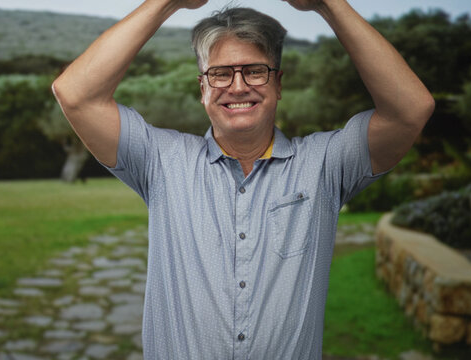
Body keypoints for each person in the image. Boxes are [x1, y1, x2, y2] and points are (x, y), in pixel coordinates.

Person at [52, 0, 434, 358]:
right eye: (220, 73)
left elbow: (410, 110)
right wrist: (167, 2)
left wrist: (326, 4)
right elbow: (75, 94)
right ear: (202, 88)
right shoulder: (162, 160)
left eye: (254, 71)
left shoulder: (324, 165)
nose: (237, 86)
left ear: (279, 84)